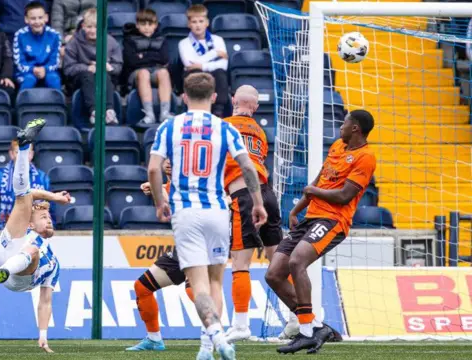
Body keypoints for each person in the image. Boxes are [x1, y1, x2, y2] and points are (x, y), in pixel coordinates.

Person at [148, 72, 267, 360]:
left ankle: (215, 336)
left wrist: (158, 202)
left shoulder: (169, 126)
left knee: (198, 282)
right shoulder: (225, 128)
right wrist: (258, 203)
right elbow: (248, 168)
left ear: (184, 97)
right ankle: (206, 348)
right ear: (215, 98)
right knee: (216, 281)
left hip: (186, 210)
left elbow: (153, 169)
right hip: (217, 209)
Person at [265, 109, 376, 354]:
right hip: (310, 217)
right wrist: (297, 209)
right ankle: (316, 326)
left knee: (297, 262)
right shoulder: (337, 146)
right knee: (273, 274)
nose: (341, 127)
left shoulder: (366, 157)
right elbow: (319, 181)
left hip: (333, 221)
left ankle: (305, 332)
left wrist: (313, 193)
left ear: (355, 127)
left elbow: (345, 195)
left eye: (345, 123)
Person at [0, 118, 72, 353]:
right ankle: (24, 146)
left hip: (17, 279)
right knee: (23, 196)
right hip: (6, 251)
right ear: (31, 223)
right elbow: (29, 193)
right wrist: (55, 196)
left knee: (32, 249)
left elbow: (45, 301)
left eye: (50, 218)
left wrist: (43, 335)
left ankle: (1, 274)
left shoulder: (52, 264)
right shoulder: (27, 230)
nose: (49, 219)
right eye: (44, 218)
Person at [222, 85, 283, 342]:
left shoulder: (222, 125)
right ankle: (296, 320)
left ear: (233, 100)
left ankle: (241, 325)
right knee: (277, 262)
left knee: (240, 263)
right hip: (268, 194)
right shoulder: (260, 132)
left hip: (245, 196)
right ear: (255, 108)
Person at [126, 159, 197, 352]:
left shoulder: (190, 185)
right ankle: (154, 339)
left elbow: (173, 209)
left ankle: (219, 333)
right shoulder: (167, 186)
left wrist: (158, 190)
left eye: (174, 158)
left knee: (196, 290)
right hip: (184, 246)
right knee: (142, 287)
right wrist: (157, 189)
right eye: (166, 158)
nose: (169, 163)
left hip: (199, 243)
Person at [63, 7, 122, 126]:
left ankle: (109, 111)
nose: (93, 30)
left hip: (107, 78)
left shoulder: (111, 42)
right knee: (87, 75)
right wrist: (87, 68)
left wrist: (109, 67)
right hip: (80, 79)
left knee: (103, 74)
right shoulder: (74, 43)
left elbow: (118, 66)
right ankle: (94, 111)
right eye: (89, 27)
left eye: (96, 27)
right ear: (83, 26)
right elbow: (68, 69)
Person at [0, 139, 54, 230]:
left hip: (35, 234)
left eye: (27, 153)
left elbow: (50, 209)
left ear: (32, 155)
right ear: (11, 154)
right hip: (5, 233)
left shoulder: (42, 178)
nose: (23, 157)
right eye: (19, 153)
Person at [122, 8, 172, 125]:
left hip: (157, 70)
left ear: (155, 25)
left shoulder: (161, 39)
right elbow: (131, 61)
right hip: (136, 73)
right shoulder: (129, 39)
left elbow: (164, 58)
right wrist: (154, 56)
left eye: (150, 24)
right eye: (143, 24)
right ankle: (149, 114)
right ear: (137, 25)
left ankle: (165, 113)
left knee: (164, 73)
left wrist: (143, 56)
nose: (147, 27)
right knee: (143, 73)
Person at [178, 4, 229, 118]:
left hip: (214, 73)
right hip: (193, 73)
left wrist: (202, 65)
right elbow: (189, 64)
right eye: (194, 22)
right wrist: (214, 54)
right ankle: (194, 111)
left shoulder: (218, 40)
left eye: (201, 21)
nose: (198, 25)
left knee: (220, 73)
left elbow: (223, 65)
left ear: (207, 22)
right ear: (189, 24)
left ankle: (218, 113)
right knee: (194, 72)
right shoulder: (183, 43)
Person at [13, 1, 61, 91]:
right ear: (26, 19)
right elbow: (19, 62)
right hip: (26, 72)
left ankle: (57, 104)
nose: (37, 21)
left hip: (48, 70)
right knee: (29, 80)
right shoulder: (19, 35)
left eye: (40, 17)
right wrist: (33, 69)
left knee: (54, 79)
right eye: (33, 18)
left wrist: (45, 69)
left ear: (46, 18)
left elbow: (55, 62)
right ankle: (22, 104)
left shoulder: (55, 35)